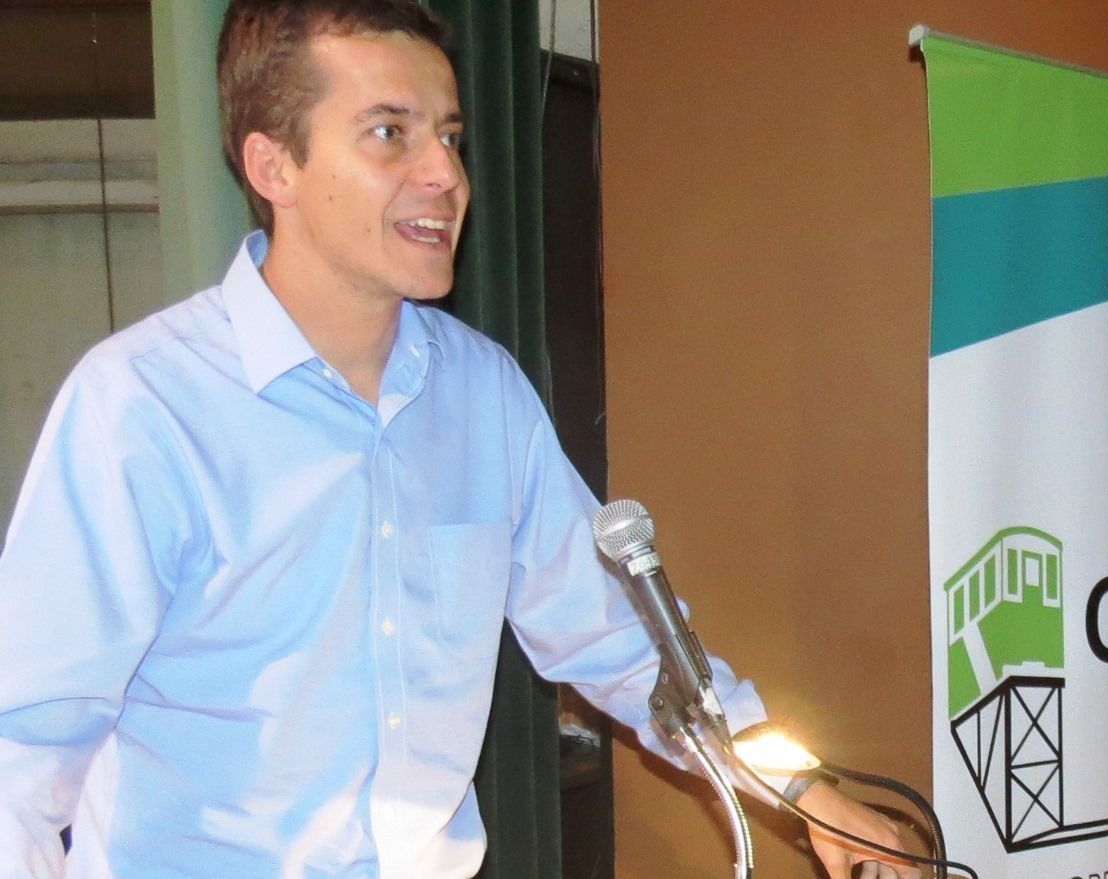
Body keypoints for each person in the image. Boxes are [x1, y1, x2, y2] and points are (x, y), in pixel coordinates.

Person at [0, 1, 919, 876]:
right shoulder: (144, 405)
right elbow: (22, 750)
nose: (444, 173)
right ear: (273, 166)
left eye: (449, 135)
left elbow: (620, 642)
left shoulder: (483, 393)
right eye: (388, 132)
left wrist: (801, 788)